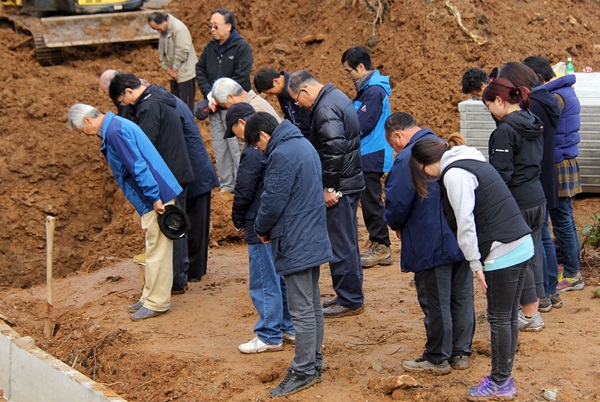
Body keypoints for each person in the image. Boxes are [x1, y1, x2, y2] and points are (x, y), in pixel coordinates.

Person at [409, 136, 533, 400]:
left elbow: (465, 223)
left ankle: (500, 382)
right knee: (508, 316)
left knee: (499, 318)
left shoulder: (454, 175)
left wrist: (475, 263)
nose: (427, 177)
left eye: (422, 172)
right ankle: (503, 378)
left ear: (426, 165)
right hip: (521, 241)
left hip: (502, 250)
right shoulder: (471, 159)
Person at [244, 112, 332, 397]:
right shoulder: (303, 144)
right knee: (312, 304)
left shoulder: (281, 153)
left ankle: (304, 369)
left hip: (296, 239)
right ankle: (313, 361)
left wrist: (260, 227)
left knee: (301, 308)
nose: (259, 150)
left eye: (257, 145)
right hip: (312, 235)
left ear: (264, 136)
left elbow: (272, 199)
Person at [67, 104, 181, 321]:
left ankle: (157, 303)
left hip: (155, 197)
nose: (86, 136)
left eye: (82, 131)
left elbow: (137, 166)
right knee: (153, 247)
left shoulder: (115, 131)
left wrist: (155, 197)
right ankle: (149, 297)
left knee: (158, 250)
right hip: (153, 195)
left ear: (88, 121)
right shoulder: (115, 126)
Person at [384, 113, 472, 374]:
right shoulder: (444, 146)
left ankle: (437, 357)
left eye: (392, 144)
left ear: (398, 136)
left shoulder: (409, 158)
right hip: (461, 236)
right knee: (461, 296)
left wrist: (395, 224)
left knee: (436, 300)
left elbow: (397, 203)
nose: (394, 149)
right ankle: (460, 352)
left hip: (430, 240)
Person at [288, 70, 365, 318]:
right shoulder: (336, 97)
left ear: (305, 90)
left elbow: (334, 149)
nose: (299, 105)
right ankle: (349, 294)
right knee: (348, 241)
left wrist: (330, 188)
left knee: (340, 244)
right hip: (349, 180)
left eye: (298, 100)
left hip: (340, 186)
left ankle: (350, 299)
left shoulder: (324, 109)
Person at [108, 72, 194, 294]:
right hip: (177, 170)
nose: (124, 105)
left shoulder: (148, 108)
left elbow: (142, 148)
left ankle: (175, 280)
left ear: (128, 92)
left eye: (122, 100)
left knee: (172, 225)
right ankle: (179, 276)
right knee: (176, 222)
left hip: (169, 176)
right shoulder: (158, 97)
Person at [228, 104, 295, 354]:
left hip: (258, 222)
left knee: (264, 279)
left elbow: (244, 190)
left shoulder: (253, 152)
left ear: (243, 123)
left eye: (233, 128)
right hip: (277, 222)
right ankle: (287, 327)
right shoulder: (279, 148)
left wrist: (237, 219)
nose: (235, 135)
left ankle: (269, 334)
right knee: (279, 277)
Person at [482, 77, 547, 332]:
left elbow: (501, 174)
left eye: (488, 105)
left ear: (499, 100)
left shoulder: (505, 131)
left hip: (517, 201)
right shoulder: (532, 120)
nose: (489, 111)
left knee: (521, 257)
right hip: (537, 196)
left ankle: (530, 315)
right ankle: (534, 308)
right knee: (534, 253)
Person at [497, 61, 562, 313]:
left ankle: (542, 293)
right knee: (543, 235)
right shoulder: (546, 101)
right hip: (542, 175)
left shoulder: (530, 108)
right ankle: (550, 291)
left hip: (530, 179)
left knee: (537, 239)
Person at [523, 56, 585, 293]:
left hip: (557, 162)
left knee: (561, 219)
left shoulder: (554, 97)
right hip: (564, 159)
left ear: (536, 77)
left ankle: (572, 274)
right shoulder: (563, 90)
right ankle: (567, 267)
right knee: (563, 217)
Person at [341, 46, 393, 268]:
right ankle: (377, 242)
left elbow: (362, 124)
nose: (349, 75)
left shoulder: (374, 92)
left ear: (360, 67)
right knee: (369, 200)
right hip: (367, 152)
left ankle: (382, 246)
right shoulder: (367, 90)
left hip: (372, 154)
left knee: (371, 201)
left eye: (349, 71)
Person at [196, 8, 253, 193]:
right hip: (215, 108)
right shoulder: (211, 48)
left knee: (236, 147)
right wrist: (210, 95)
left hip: (233, 107)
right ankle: (227, 185)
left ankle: (242, 186)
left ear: (228, 26)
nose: (212, 30)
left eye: (216, 26)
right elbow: (200, 70)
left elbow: (241, 77)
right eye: (210, 26)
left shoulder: (241, 47)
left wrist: (221, 96)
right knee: (220, 148)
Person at [147, 12, 198, 112]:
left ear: (164, 21)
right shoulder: (163, 32)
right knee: (175, 102)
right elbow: (162, 52)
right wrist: (167, 69)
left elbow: (183, 50)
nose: (158, 31)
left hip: (184, 72)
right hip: (173, 73)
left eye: (158, 28)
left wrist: (175, 68)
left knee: (186, 104)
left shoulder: (179, 29)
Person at [253, 67, 312, 138]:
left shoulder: (298, 86)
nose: (272, 96)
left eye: (271, 92)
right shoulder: (282, 93)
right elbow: (289, 116)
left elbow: (307, 119)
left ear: (276, 82)